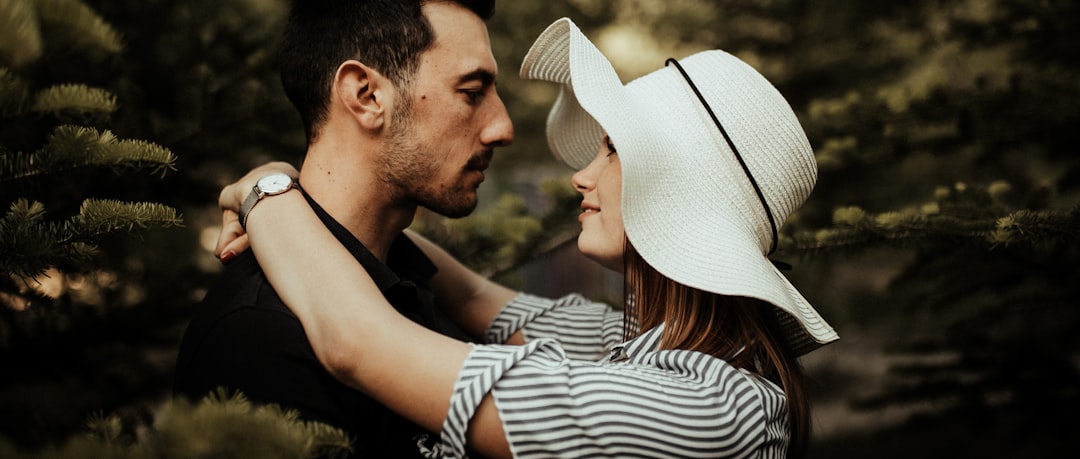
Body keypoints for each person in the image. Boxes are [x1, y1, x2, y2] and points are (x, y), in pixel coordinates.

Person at [217, 17, 839, 459]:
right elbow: (470, 294)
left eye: (614, 150)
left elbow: (358, 343)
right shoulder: (626, 340)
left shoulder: (712, 412)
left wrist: (267, 190)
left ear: (681, 189)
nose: (581, 176)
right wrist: (311, 195)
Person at [172, 1, 514, 457]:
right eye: (472, 92)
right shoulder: (259, 342)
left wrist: (266, 189)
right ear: (366, 96)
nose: (502, 127)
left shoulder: (422, 287)